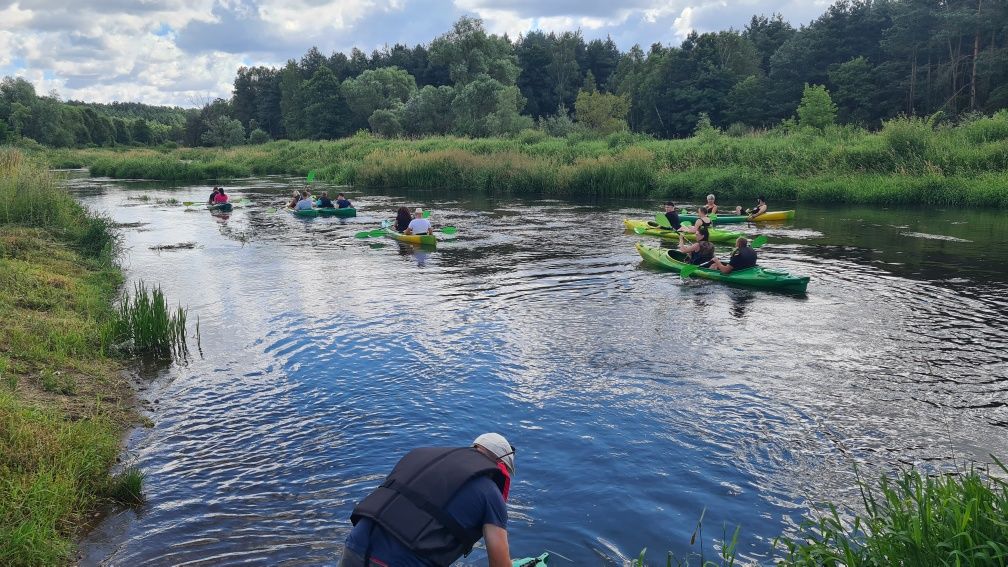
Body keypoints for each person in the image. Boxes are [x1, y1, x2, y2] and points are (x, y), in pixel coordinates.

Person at [340, 433, 516, 567]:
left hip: (353, 548)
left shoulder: (420, 455)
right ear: (502, 468)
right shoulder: (490, 492)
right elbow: (500, 564)